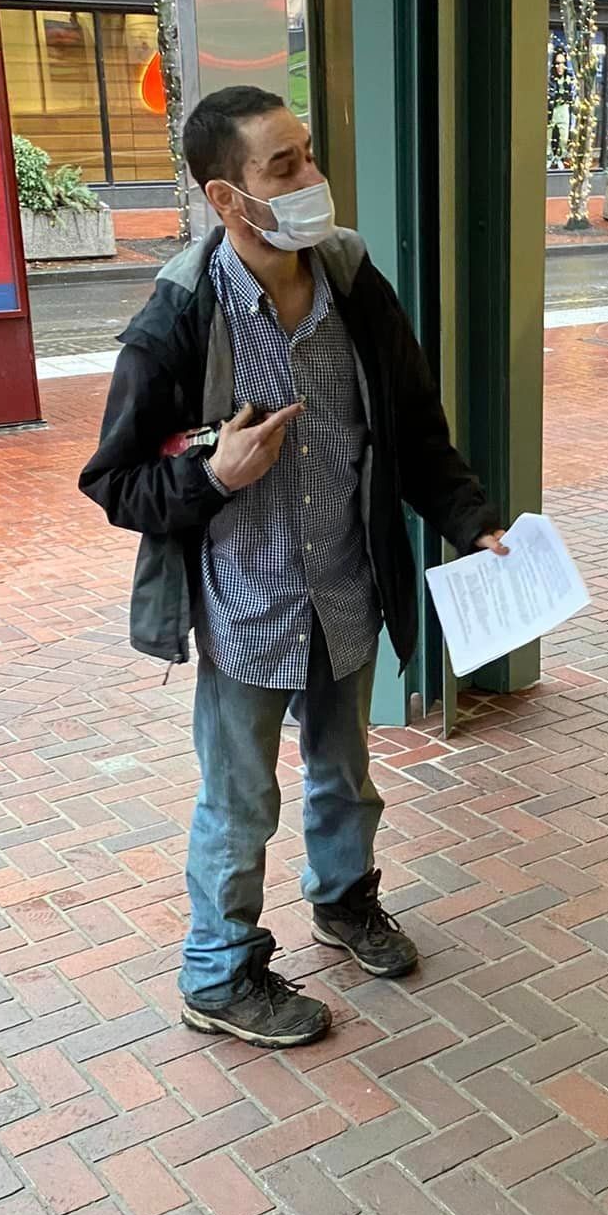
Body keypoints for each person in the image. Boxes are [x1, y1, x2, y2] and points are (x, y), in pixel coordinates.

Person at [81, 86, 507, 1050]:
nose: (313, 179)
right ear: (227, 199)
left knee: (346, 775)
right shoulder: (180, 318)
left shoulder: (353, 283)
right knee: (239, 801)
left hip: (345, 592)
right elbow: (112, 482)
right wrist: (213, 478)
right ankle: (219, 971)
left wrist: (474, 521)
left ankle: (344, 902)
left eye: (310, 155)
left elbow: (415, 430)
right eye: (285, 167)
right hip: (246, 610)